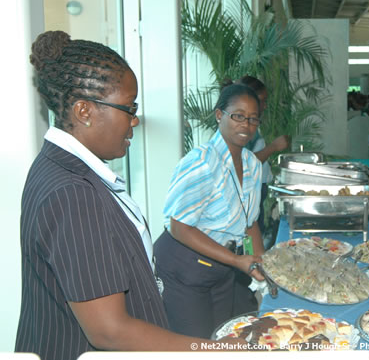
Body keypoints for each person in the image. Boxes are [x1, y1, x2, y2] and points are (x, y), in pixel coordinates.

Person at [16, 31, 239, 360]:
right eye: (128, 108)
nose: (134, 120)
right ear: (84, 111)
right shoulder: (72, 193)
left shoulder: (61, 166)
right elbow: (110, 330)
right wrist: (213, 350)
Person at [153, 83, 266, 339]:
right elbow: (178, 227)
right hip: (184, 268)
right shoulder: (200, 162)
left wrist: (260, 263)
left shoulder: (252, 164)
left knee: (221, 341)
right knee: (195, 347)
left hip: (222, 267)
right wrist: (238, 261)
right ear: (219, 115)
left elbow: (250, 223)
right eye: (237, 116)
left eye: (252, 119)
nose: (245, 125)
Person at [235, 76, 290, 247]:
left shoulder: (252, 126)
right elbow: (243, 163)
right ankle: (247, 263)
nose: (265, 106)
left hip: (257, 189)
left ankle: (251, 261)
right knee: (249, 238)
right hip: (248, 192)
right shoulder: (241, 129)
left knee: (255, 230)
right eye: (262, 101)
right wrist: (274, 146)